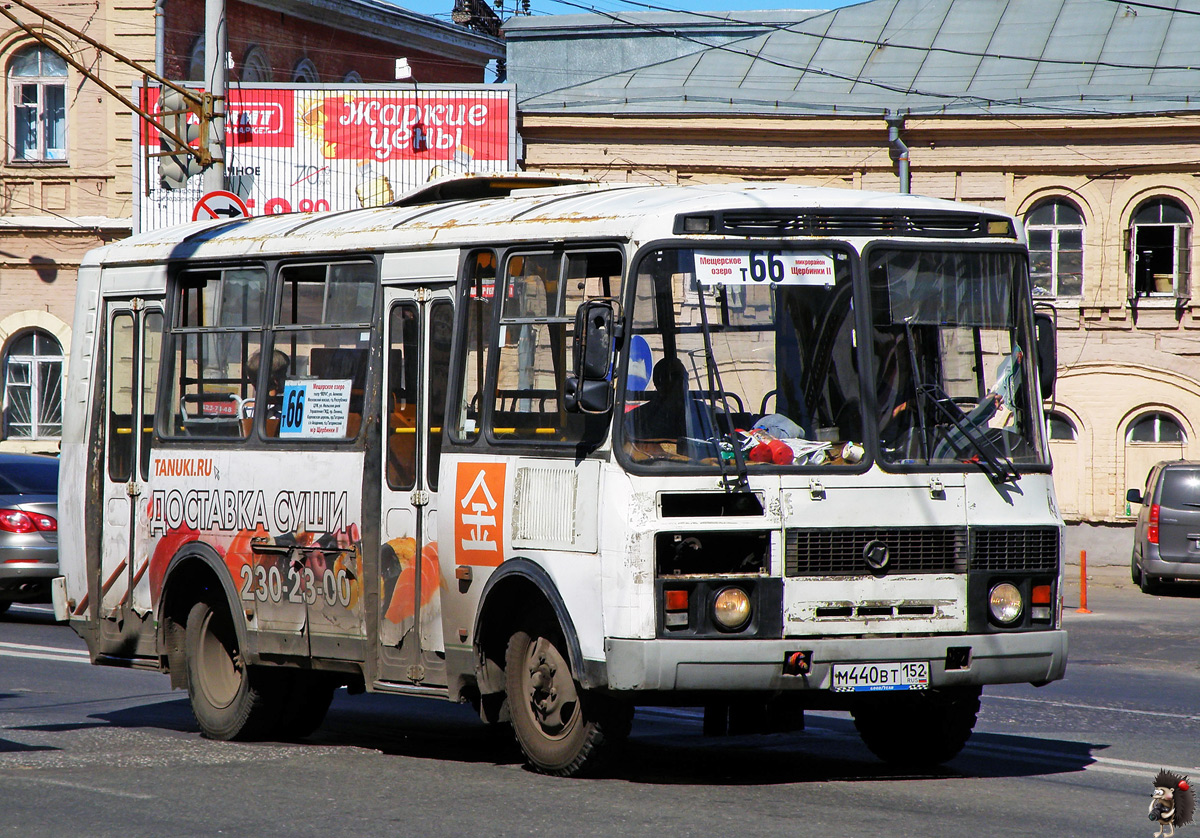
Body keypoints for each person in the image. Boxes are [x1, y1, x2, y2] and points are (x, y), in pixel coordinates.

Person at [626, 357, 689, 441]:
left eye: (685, 378)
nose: (683, 383)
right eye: (676, 378)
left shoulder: (701, 412)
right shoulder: (639, 418)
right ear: (660, 383)